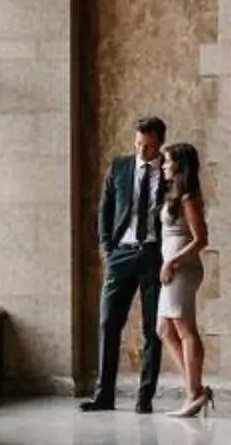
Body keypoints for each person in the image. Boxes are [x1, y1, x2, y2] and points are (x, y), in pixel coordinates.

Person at [83, 117, 170, 412]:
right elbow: (104, 210)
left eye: (148, 147)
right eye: (137, 146)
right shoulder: (120, 167)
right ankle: (103, 395)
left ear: (159, 144)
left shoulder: (170, 174)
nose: (142, 152)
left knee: (151, 329)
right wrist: (107, 249)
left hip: (153, 255)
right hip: (121, 252)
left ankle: (144, 398)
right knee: (108, 323)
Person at [157, 140, 213, 418]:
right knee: (164, 330)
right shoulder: (174, 194)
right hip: (172, 269)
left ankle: (193, 393)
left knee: (184, 328)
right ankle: (196, 388)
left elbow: (201, 239)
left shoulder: (188, 196)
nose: (164, 165)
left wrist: (172, 261)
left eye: (168, 161)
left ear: (179, 166)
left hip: (182, 269)